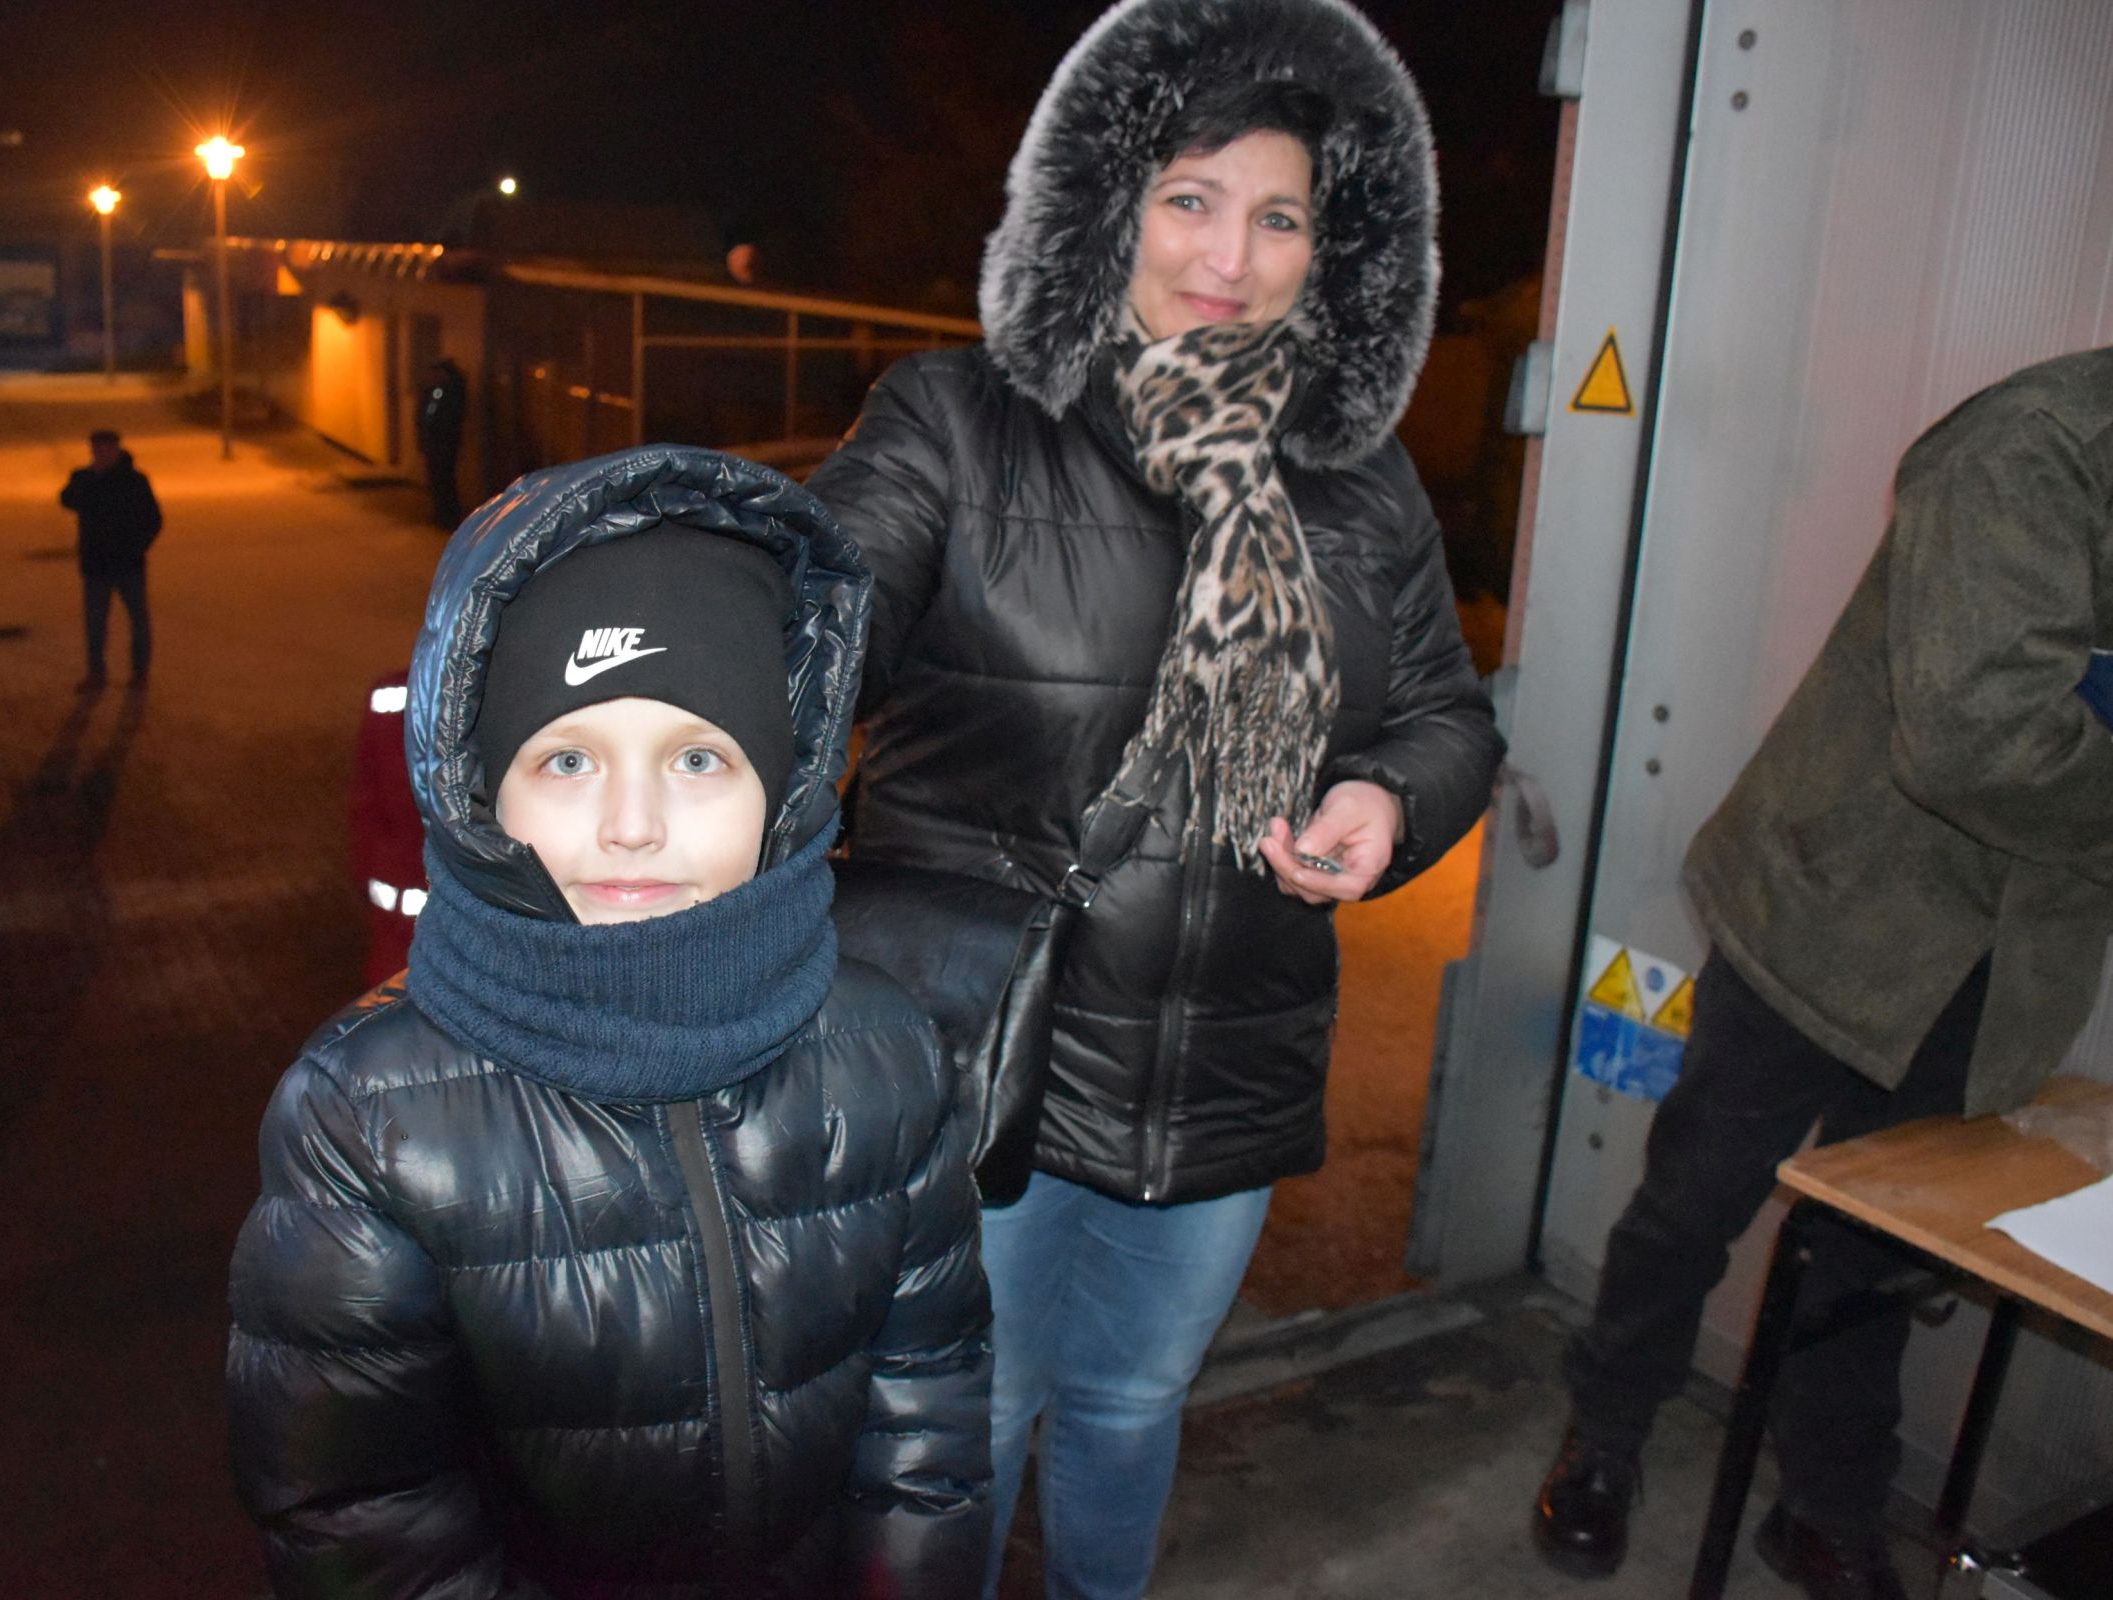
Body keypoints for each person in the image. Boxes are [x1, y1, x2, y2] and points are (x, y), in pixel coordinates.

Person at [807, 2, 1504, 1594]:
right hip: (987, 1069)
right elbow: (802, 629)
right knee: (967, 1419)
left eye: (1281, 217)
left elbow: (1447, 715)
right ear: (1105, 202)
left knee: (1132, 1405)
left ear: (1335, 248)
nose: (1231, 257)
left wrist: (1391, 798)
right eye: (1191, 197)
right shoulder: (957, 426)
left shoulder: (1362, 481)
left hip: (1225, 1070)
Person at [226, 445, 992, 1599]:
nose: (633, 822)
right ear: (481, 788)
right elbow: (363, 1515)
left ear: (784, 789)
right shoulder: (365, 1119)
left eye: (699, 756)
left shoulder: (886, 1051)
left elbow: (927, 1416)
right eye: (570, 757)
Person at [1532, 345, 2113, 1600]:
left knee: (1875, 1264)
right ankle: (1607, 1434)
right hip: (1831, 906)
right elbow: (1979, 736)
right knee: (1695, 1201)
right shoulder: (2038, 447)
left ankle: (1824, 1507)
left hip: (1998, 964)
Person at [58, 427, 160, 689]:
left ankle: (140, 673)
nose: (100, 455)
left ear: (116, 450)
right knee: (95, 623)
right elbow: (66, 499)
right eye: (96, 450)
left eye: (105, 450)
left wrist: (137, 547)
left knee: (138, 621)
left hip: (128, 564)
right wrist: (90, 479)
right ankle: (96, 672)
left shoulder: (135, 481)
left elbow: (153, 519)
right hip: (96, 564)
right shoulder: (84, 477)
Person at [418, 356, 468, 529]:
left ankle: (446, 515)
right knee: (443, 478)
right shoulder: (450, 389)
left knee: (442, 479)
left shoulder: (441, 391)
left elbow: (430, 413)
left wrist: (427, 432)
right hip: (443, 441)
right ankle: (445, 514)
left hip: (441, 442)